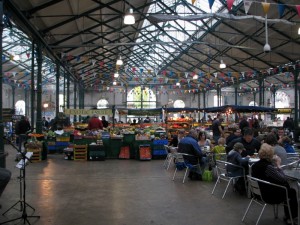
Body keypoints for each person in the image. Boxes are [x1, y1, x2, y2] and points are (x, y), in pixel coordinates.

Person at [251, 143, 298, 224]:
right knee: (291, 191)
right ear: (270, 155)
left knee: (287, 189)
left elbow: (268, 176)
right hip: (270, 195)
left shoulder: (255, 165)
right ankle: (291, 217)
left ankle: (288, 215)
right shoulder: (268, 167)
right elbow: (283, 179)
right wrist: (278, 165)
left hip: (259, 193)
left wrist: (275, 168)